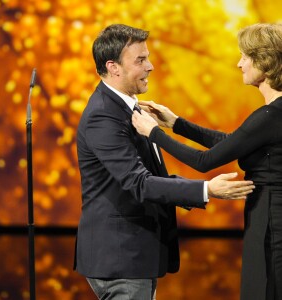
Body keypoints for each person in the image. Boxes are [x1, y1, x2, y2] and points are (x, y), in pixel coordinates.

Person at [74, 24, 254, 300]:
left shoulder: (128, 108)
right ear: (113, 67)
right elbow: (138, 183)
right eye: (141, 60)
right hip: (121, 259)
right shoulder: (104, 116)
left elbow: (147, 176)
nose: (151, 66)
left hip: (132, 257)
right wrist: (206, 190)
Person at [132, 23, 282, 300]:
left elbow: (205, 161)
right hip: (267, 215)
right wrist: (177, 124)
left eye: (245, 57)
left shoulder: (271, 115)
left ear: (266, 61)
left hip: (272, 222)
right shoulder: (271, 115)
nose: (239, 64)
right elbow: (232, 142)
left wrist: (152, 132)